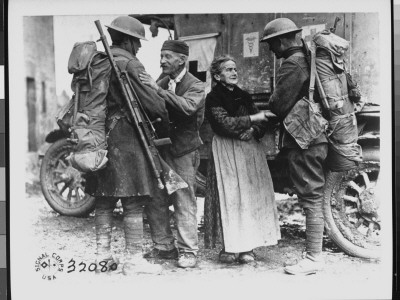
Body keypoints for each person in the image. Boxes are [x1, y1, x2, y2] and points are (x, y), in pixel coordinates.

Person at [85, 16, 171, 275]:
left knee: (103, 201)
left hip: (99, 137)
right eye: (137, 40)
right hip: (128, 138)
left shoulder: (96, 62)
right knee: (133, 200)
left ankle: (103, 257)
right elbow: (154, 103)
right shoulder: (130, 64)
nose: (140, 46)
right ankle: (133, 260)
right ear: (127, 39)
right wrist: (164, 114)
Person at [260, 18, 328, 275]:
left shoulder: (293, 63)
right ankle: (314, 255)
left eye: (271, 45)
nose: (271, 51)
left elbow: (277, 105)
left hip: (304, 141)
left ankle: (314, 258)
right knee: (314, 196)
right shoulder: (307, 59)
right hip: (315, 138)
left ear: (281, 41)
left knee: (311, 197)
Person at [203, 55, 281, 264]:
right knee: (229, 197)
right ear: (218, 76)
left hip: (247, 151)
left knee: (248, 197)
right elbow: (223, 124)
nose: (234, 73)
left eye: (235, 69)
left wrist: (254, 129)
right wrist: (250, 120)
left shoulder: (244, 96)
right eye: (228, 70)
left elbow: (261, 120)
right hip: (226, 151)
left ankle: (247, 248)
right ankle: (229, 248)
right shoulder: (213, 98)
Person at [139, 40, 205, 268]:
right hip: (162, 150)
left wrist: (156, 90)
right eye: (161, 56)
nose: (162, 61)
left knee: (183, 199)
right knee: (156, 197)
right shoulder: (163, 81)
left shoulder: (196, 85)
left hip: (183, 152)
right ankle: (164, 246)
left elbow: (187, 107)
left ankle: (188, 251)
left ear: (182, 60)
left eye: (167, 56)